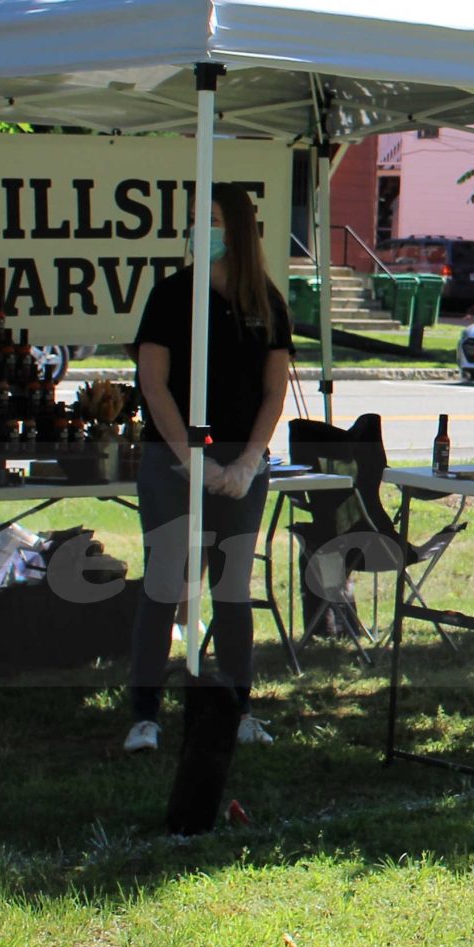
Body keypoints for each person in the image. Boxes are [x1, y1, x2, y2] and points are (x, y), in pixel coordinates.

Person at [124, 183, 293, 753]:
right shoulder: (172, 296)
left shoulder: (267, 302)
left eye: (214, 219)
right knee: (165, 583)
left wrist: (249, 461)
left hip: (241, 464)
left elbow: (275, 392)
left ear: (239, 229)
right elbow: (153, 383)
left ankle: (239, 710)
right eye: (199, 220)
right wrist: (189, 459)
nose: (204, 229)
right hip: (173, 461)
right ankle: (144, 714)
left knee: (232, 590)